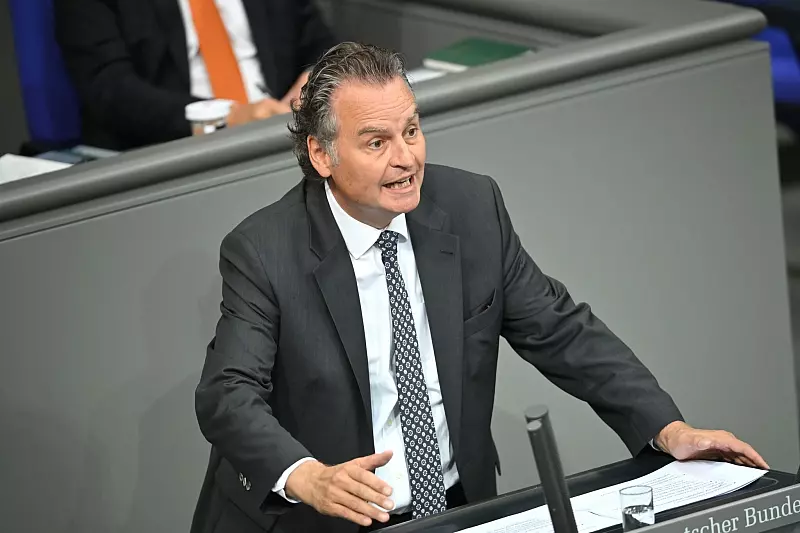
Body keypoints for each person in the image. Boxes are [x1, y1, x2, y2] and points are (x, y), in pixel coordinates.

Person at [190, 42, 769, 533]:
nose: (406, 158)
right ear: (322, 154)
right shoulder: (264, 250)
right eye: (376, 143)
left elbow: (561, 330)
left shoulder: (470, 208)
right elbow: (228, 394)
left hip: (454, 511)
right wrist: (308, 477)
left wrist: (669, 430)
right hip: (316, 521)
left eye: (411, 130)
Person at [54, 0, 336, 151]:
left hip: (285, 136)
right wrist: (227, 118)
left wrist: (310, 86)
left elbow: (321, 46)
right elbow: (109, 88)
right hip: (173, 151)